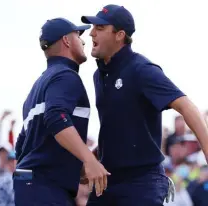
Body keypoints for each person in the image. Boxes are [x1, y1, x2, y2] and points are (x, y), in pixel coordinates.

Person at [81, 4, 208, 205]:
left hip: (142, 183)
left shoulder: (141, 70)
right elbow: (117, 126)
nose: (91, 34)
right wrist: (93, 157)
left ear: (119, 35)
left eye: (100, 28)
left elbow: (187, 106)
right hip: (109, 182)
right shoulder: (99, 75)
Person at [14, 18, 110, 206]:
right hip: (46, 190)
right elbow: (56, 117)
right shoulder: (66, 76)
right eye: (78, 35)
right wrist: (89, 160)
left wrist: (72, 167)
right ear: (66, 40)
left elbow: (22, 146)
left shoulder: (36, 88)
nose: (83, 41)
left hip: (30, 187)